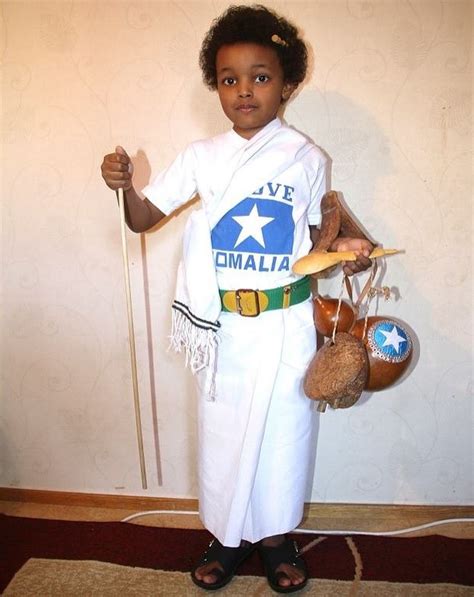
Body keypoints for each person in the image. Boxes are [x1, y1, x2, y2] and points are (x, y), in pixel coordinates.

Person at [101, 4, 372, 593]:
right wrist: (125, 190)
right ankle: (226, 538)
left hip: (285, 322)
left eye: (261, 76)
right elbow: (145, 218)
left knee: (284, 432)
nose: (244, 90)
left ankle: (276, 539)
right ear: (216, 87)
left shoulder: (306, 157)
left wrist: (346, 246)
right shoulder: (202, 157)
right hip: (222, 326)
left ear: (288, 83)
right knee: (222, 432)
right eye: (230, 79)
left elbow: (310, 240)